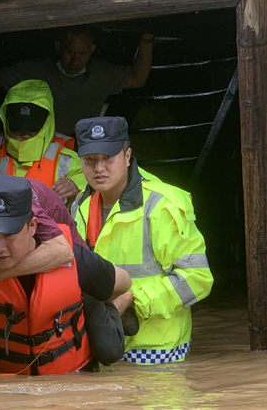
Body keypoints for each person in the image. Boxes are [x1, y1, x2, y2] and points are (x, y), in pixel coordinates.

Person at [0, 145, 129, 367]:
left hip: (65, 263)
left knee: (109, 349)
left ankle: (117, 305)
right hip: (13, 261)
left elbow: (62, 251)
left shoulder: (18, 198)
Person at [72, 116, 214, 363]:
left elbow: (198, 279)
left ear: (127, 157)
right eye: (90, 160)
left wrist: (132, 299)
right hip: (99, 341)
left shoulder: (162, 205)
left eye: (108, 158)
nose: (99, 168)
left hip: (157, 349)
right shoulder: (80, 205)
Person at [0, 175, 98, 374]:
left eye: (9, 235)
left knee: (109, 346)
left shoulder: (78, 258)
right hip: (3, 384)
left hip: (67, 377)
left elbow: (122, 283)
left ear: (33, 226)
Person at [0, 26, 154, 135]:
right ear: (58, 47)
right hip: (41, 151)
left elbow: (138, 79)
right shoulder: (35, 70)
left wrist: (147, 39)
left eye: (82, 54)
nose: (75, 60)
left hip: (82, 149)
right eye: (69, 52)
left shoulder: (101, 73)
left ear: (92, 49)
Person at [0, 79, 86, 200]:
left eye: (32, 129)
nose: (25, 135)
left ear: (46, 125)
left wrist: (77, 192)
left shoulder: (69, 160)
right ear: (5, 121)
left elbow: (93, 203)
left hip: (49, 219)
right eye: (17, 129)